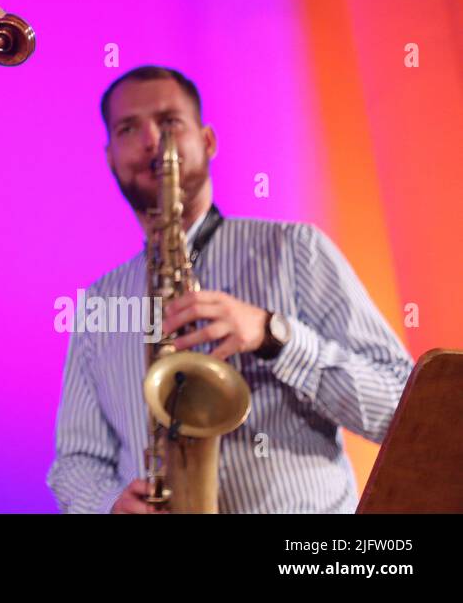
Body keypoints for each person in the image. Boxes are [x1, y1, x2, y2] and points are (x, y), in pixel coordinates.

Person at [46, 65, 413, 513]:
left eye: (169, 122)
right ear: (110, 157)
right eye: (128, 128)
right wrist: (107, 503)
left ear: (207, 141)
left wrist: (274, 335)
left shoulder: (295, 249)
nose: (150, 141)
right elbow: (77, 461)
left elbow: (404, 411)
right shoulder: (99, 304)